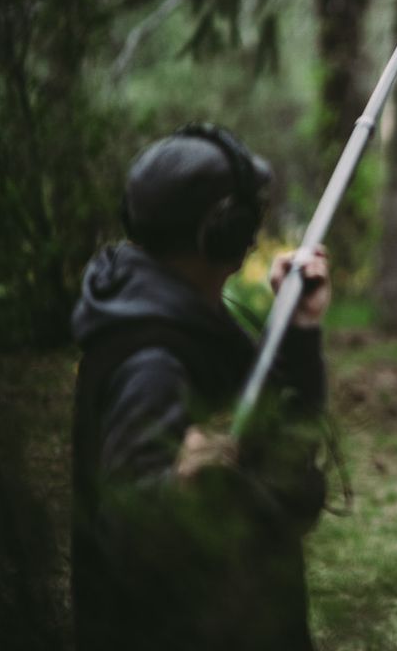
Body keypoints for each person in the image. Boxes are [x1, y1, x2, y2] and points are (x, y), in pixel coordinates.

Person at [70, 124, 331, 651]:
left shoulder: (184, 316)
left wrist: (297, 336)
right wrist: (180, 483)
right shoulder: (155, 362)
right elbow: (128, 535)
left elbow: (278, 435)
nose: (256, 225)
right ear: (223, 229)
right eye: (249, 212)